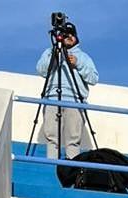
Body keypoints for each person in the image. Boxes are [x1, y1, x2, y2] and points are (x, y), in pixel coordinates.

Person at [35, 21, 99, 160]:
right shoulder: (50, 52)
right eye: (65, 35)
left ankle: (72, 169)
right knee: (52, 138)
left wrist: (78, 63)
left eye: (72, 35)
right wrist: (54, 57)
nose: (69, 37)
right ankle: (52, 164)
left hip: (75, 100)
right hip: (52, 98)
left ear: (76, 38)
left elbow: (94, 78)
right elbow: (40, 70)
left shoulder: (83, 57)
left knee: (73, 139)